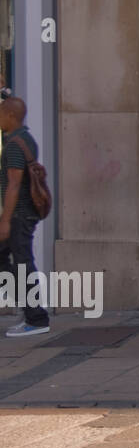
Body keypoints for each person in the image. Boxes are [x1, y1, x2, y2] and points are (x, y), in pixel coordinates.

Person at [0, 98, 48, 337]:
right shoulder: (25, 140)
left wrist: (5, 221)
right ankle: (29, 310)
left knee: (23, 264)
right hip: (21, 214)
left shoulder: (15, 145)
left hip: (19, 215)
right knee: (14, 263)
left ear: (10, 116)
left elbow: (14, 184)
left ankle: (36, 318)